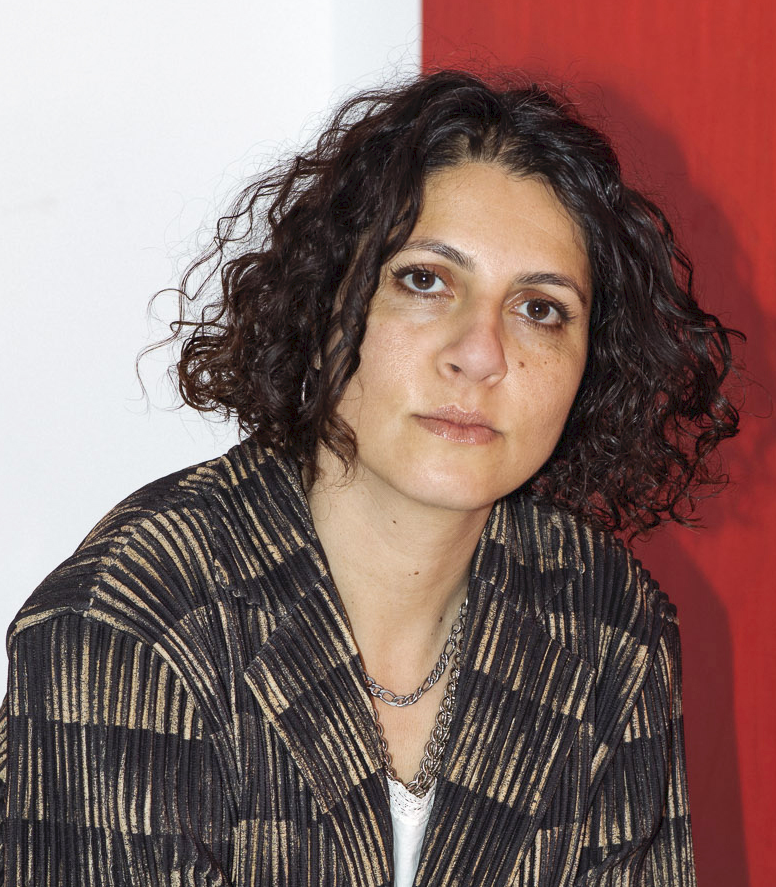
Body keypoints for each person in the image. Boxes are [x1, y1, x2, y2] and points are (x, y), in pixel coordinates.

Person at [0, 69, 740, 886]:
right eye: (425, 281)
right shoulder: (132, 625)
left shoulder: (608, 627)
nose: (481, 353)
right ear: (327, 305)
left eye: (540, 308)